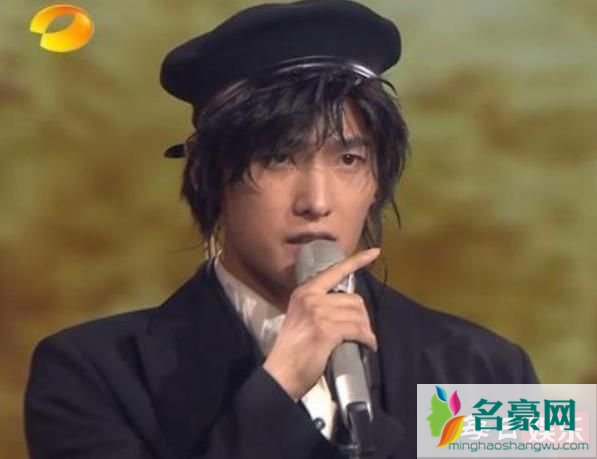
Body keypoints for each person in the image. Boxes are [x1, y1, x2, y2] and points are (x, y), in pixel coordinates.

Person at [24, 1, 539, 458]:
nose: (316, 202)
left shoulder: (486, 368)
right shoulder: (91, 375)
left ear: (377, 179)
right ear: (206, 174)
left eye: (349, 159)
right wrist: (279, 385)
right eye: (277, 158)